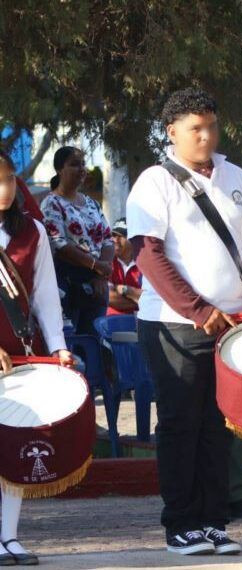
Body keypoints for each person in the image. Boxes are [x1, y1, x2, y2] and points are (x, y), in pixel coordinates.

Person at [128, 88, 242, 555]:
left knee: (221, 425)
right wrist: (198, 310)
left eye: (211, 125)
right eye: (195, 128)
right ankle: (181, 524)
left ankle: (215, 521)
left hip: (234, 324)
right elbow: (148, 256)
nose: (206, 135)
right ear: (172, 132)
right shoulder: (154, 183)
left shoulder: (237, 177)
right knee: (181, 423)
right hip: (173, 326)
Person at [0, 150, 75, 566]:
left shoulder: (33, 232)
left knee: (15, 442)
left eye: (9, 179)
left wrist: (58, 345)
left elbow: (46, 295)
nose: (5, 189)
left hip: (21, 355)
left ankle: (9, 536)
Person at [41, 146, 114, 335]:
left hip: (96, 285)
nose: (81, 169)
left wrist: (100, 275)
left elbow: (107, 239)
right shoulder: (52, 203)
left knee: (95, 343)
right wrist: (96, 265)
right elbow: (60, 244)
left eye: (83, 164)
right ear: (59, 169)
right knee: (73, 344)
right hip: (69, 284)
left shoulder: (91, 203)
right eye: (74, 164)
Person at [107, 218, 142, 315]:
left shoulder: (145, 262)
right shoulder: (106, 261)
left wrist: (122, 289)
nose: (116, 240)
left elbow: (153, 296)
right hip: (112, 323)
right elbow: (109, 297)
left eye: (122, 236)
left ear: (133, 239)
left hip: (144, 321)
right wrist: (138, 298)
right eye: (113, 235)